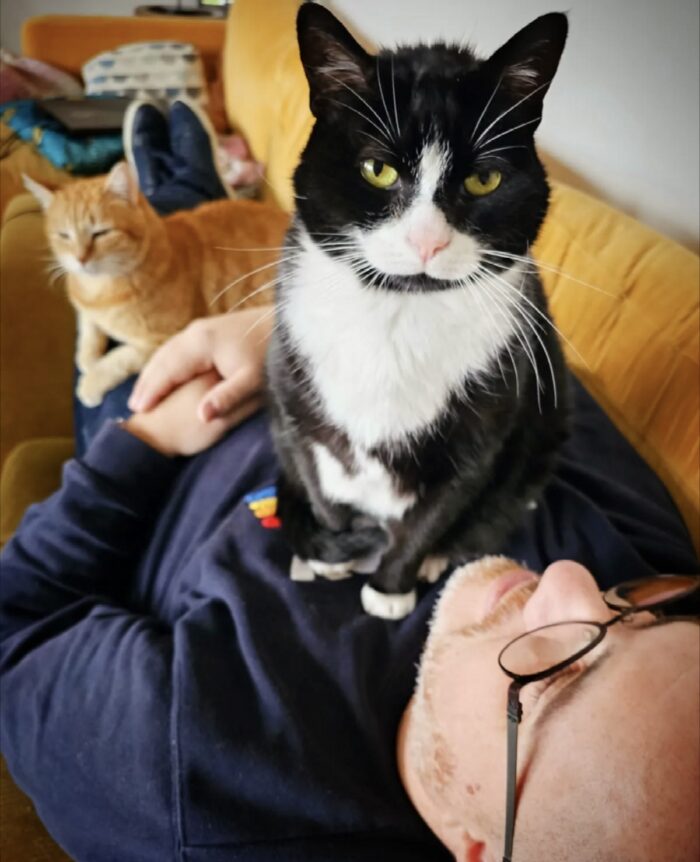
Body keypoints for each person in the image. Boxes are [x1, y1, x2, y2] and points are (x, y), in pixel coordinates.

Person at [2, 103, 698, 862]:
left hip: (159, 434)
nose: (570, 578)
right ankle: (183, 155)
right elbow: (527, 357)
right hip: (273, 342)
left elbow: (16, 621)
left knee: (148, 255)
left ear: (476, 846)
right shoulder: (647, 566)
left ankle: (173, 161)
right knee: (191, 215)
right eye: (642, 618)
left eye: (556, 678)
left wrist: (150, 436)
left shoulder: (204, 774)